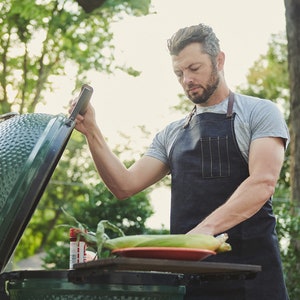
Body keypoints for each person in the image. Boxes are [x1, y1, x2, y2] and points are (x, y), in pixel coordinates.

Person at [73, 23, 290, 299]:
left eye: (194, 68)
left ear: (219, 60)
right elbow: (124, 185)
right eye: (179, 73)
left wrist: (202, 233)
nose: (186, 79)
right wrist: (92, 132)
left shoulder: (259, 112)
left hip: (254, 282)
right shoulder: (171, 134)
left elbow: (262, 183)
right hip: (192, 283)